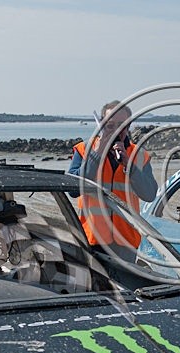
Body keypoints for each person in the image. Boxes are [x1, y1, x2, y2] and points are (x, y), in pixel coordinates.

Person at [68, 100, 157, 262]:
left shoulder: (139, 155)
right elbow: (72, 190)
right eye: (111, 125)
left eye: (122, 125)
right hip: (92, 238)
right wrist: (96, 155)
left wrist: (129, 166)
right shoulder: (84, 150)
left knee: (124, 287)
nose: (116, 130)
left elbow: (150, 194)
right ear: (102, 125)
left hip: (125, 240)